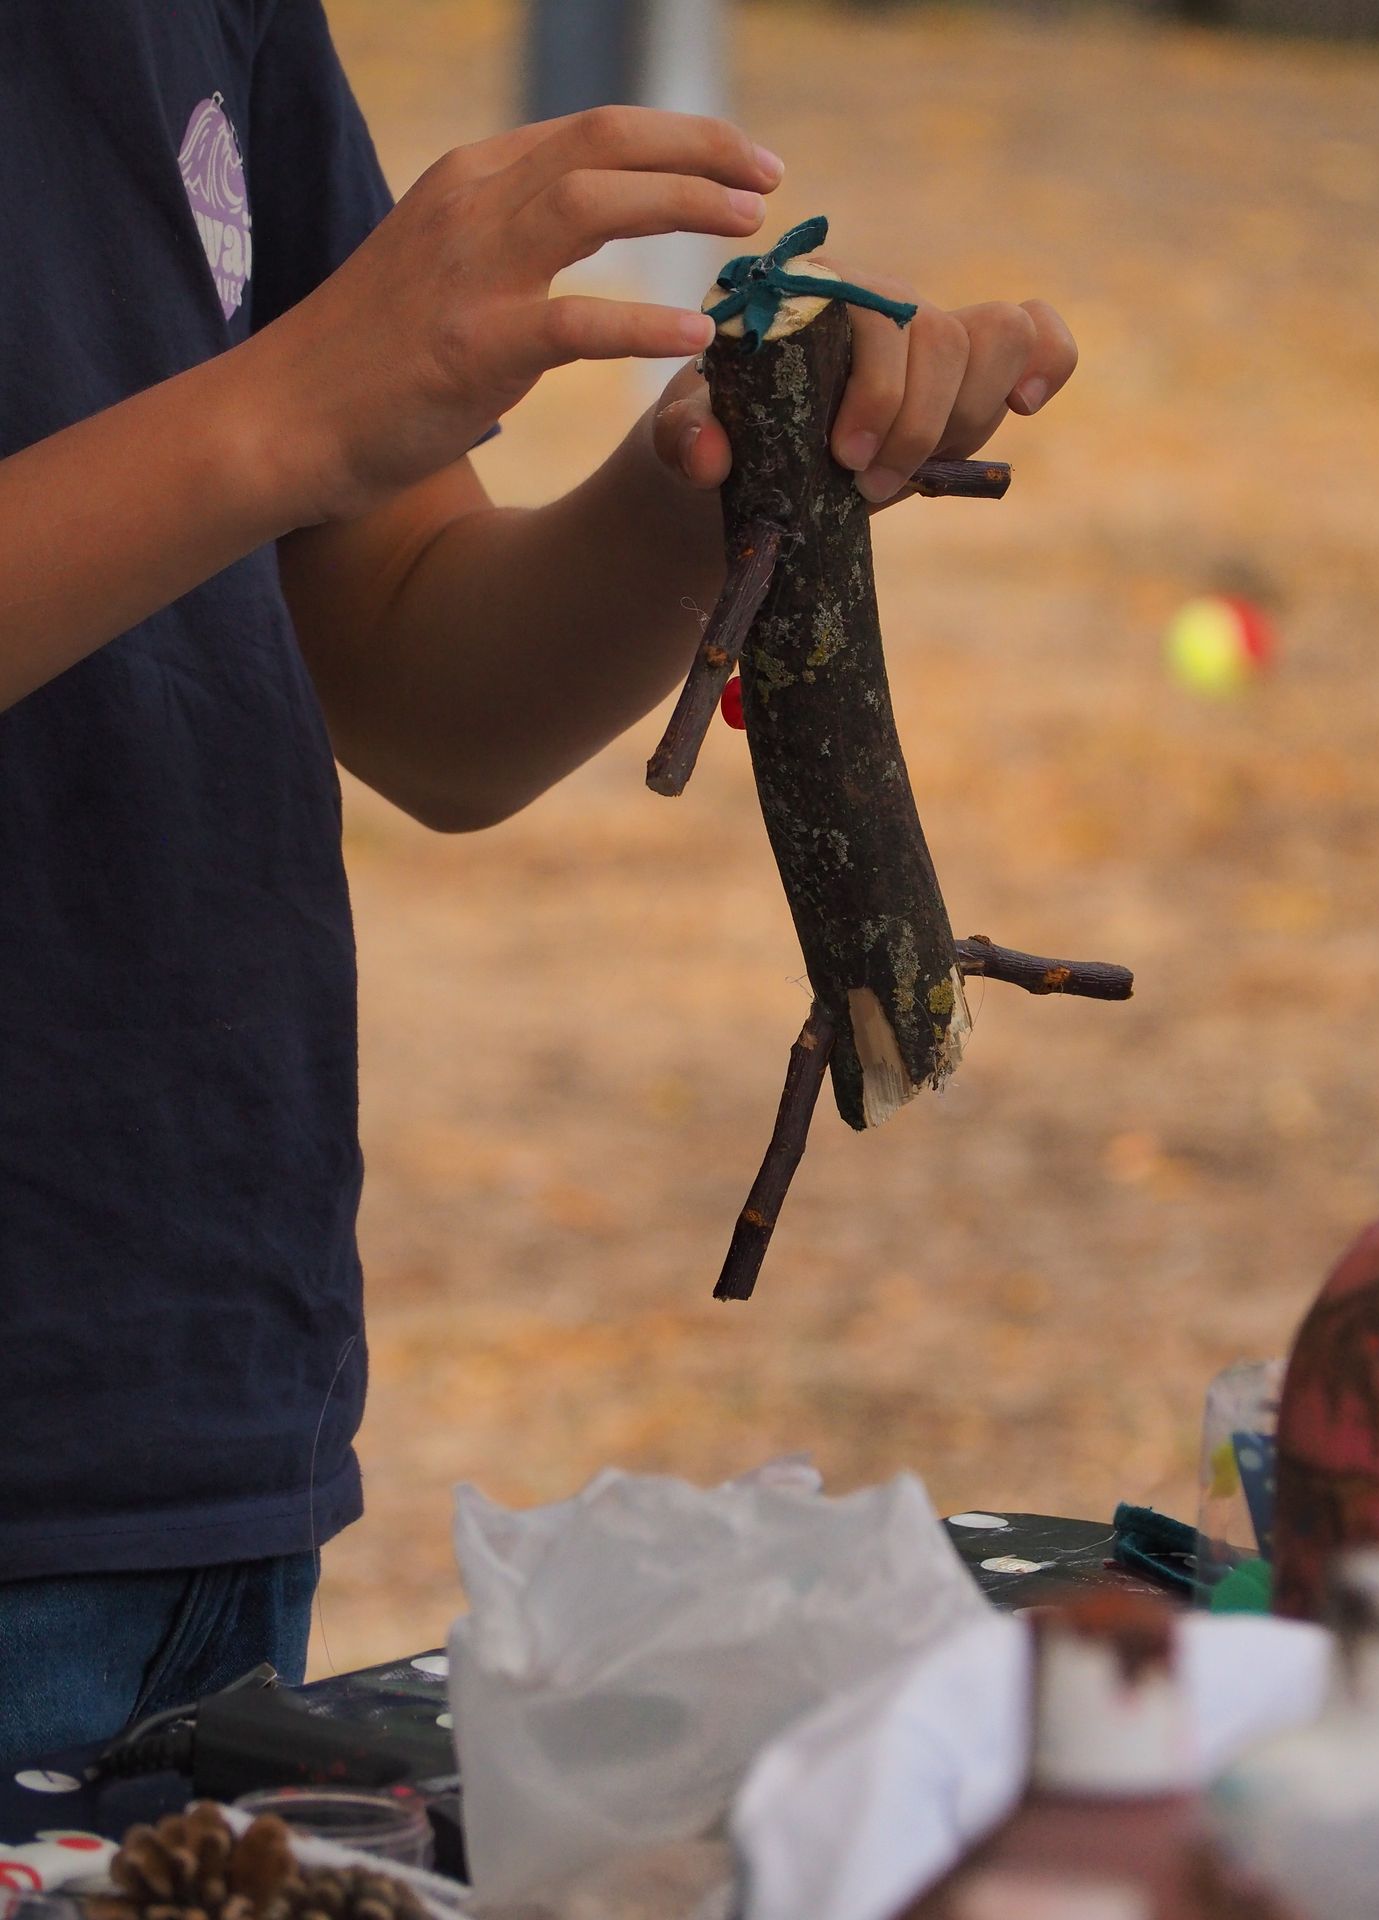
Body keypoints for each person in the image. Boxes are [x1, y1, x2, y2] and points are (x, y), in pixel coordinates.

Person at [0, 0, 1077, 1767]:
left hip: (200, 1429)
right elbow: (289, 426)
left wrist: (728, 485)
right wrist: (288, 404)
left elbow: (423, 685)